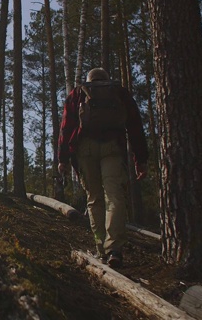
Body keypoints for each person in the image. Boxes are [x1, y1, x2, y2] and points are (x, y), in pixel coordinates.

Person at [57, 68, 148, 268]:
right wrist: (140, 158)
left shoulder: (78, 93)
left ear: (88, 80)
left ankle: (100, 247)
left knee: (94, 199)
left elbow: (67, 126)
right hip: (113, 148)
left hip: (85, 150)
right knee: (115, 196)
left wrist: (62, 158)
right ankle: (114, 248)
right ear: (106, 79)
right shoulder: (119, 92)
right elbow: (134, 124)